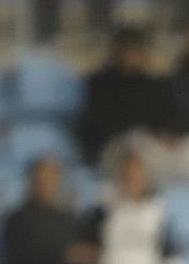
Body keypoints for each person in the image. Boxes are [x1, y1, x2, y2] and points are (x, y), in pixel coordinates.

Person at [91, 150, 189, 264]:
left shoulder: (157, 210)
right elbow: (88, 247)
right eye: (127, 174)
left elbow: (168, 249)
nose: (132, 179)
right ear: (119, 177)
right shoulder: (102, 210)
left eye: (137, 174)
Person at [0, 156, 107, 264]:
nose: (46, 185)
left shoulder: (67, 218)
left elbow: (82, 248)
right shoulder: (17, 218)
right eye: (41, 180)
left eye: (51, 179)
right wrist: (63, 256)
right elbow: (22, 255)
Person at [75, 25, 180, 165]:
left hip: (147, 150)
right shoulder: (99, 84)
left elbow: (165, 124)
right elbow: (97, 127)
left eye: (137, 51)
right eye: (127, 50)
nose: (131, 56)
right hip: (112, 150)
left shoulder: (156, 86)